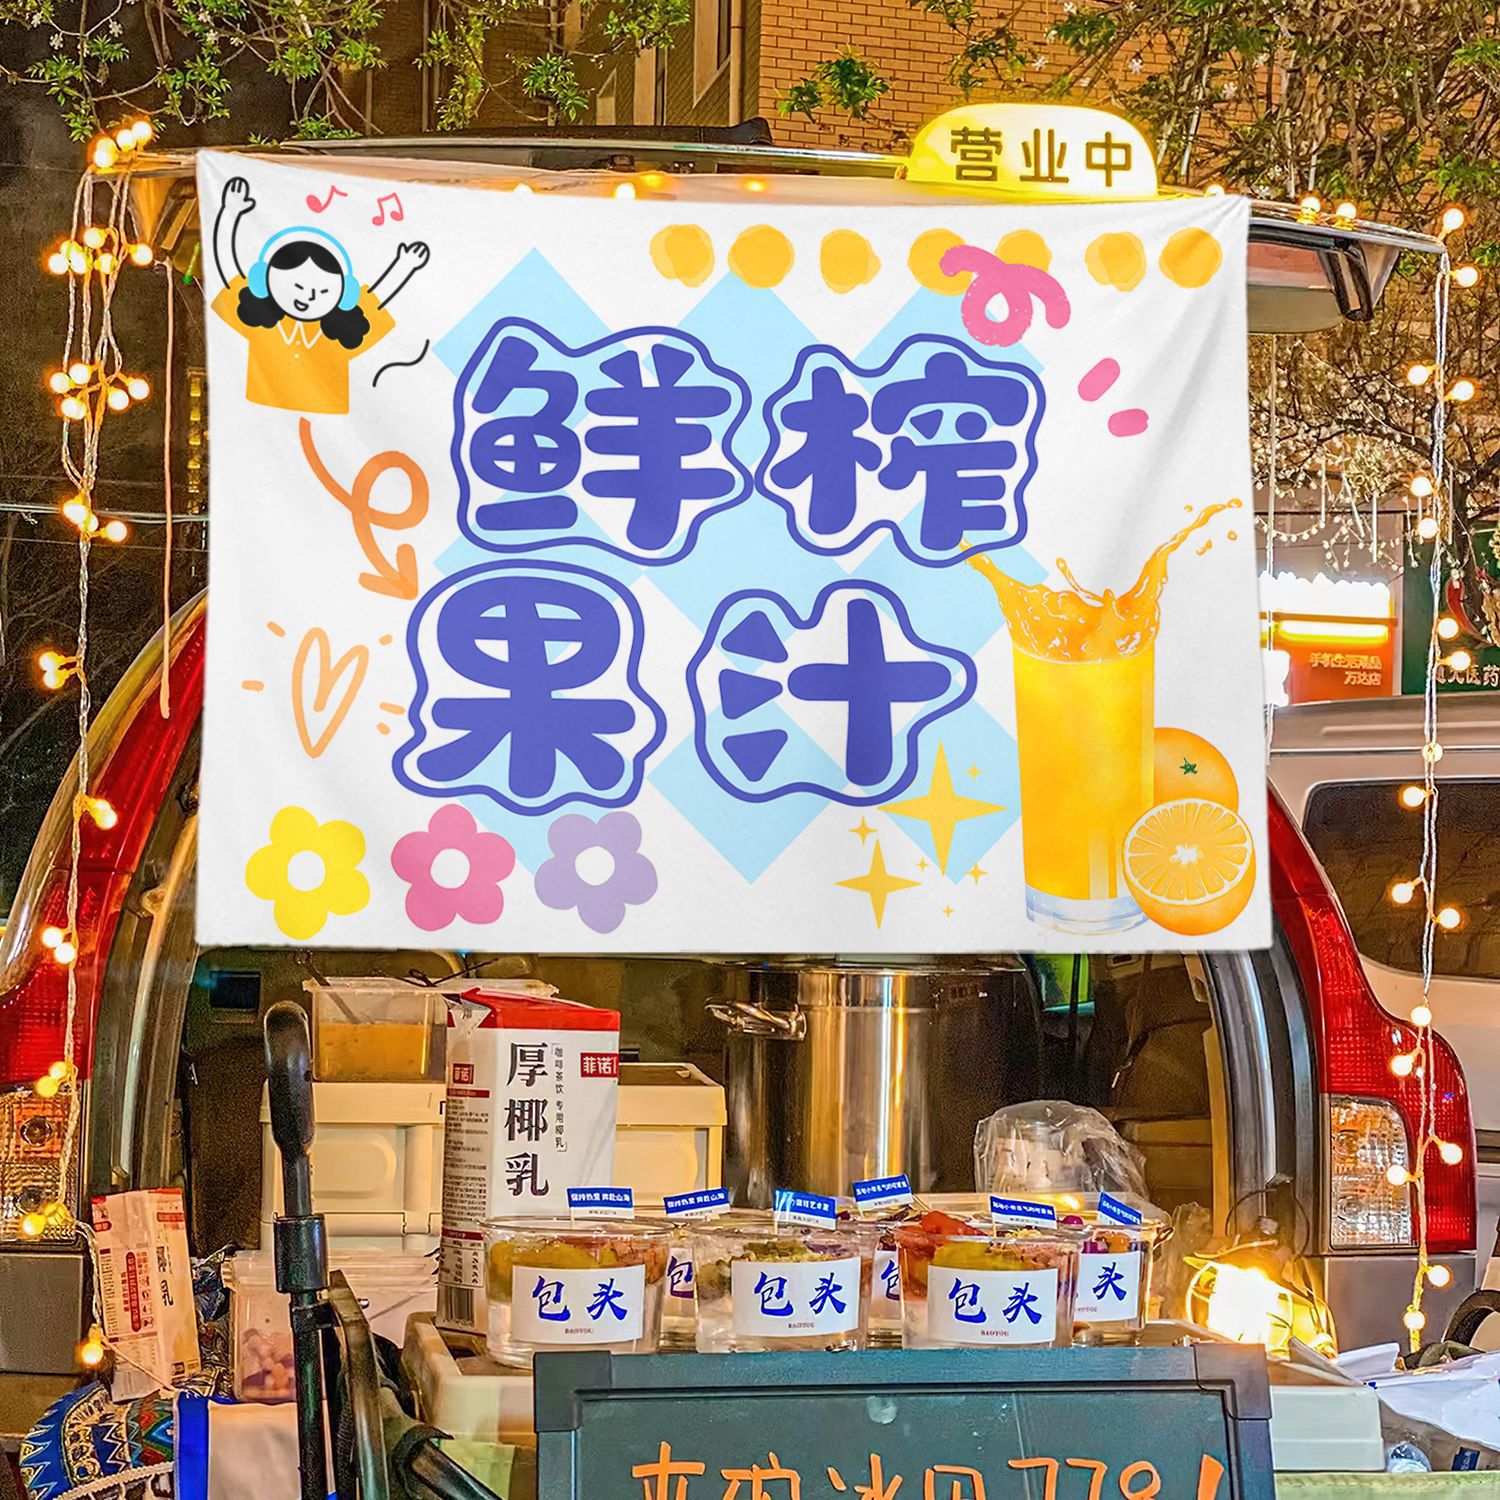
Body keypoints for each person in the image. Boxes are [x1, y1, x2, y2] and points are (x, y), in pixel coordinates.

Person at [210, 175, 430, 415]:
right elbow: (227, 269)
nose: (308, 297)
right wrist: (229, 213)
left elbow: (377, 300)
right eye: (297, 286)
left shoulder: (342, 330)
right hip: (261, 416)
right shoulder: (259, 318)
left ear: (345, 296)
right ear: (264, 279)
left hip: (328, 423)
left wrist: (404, 266)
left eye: (322, 291)